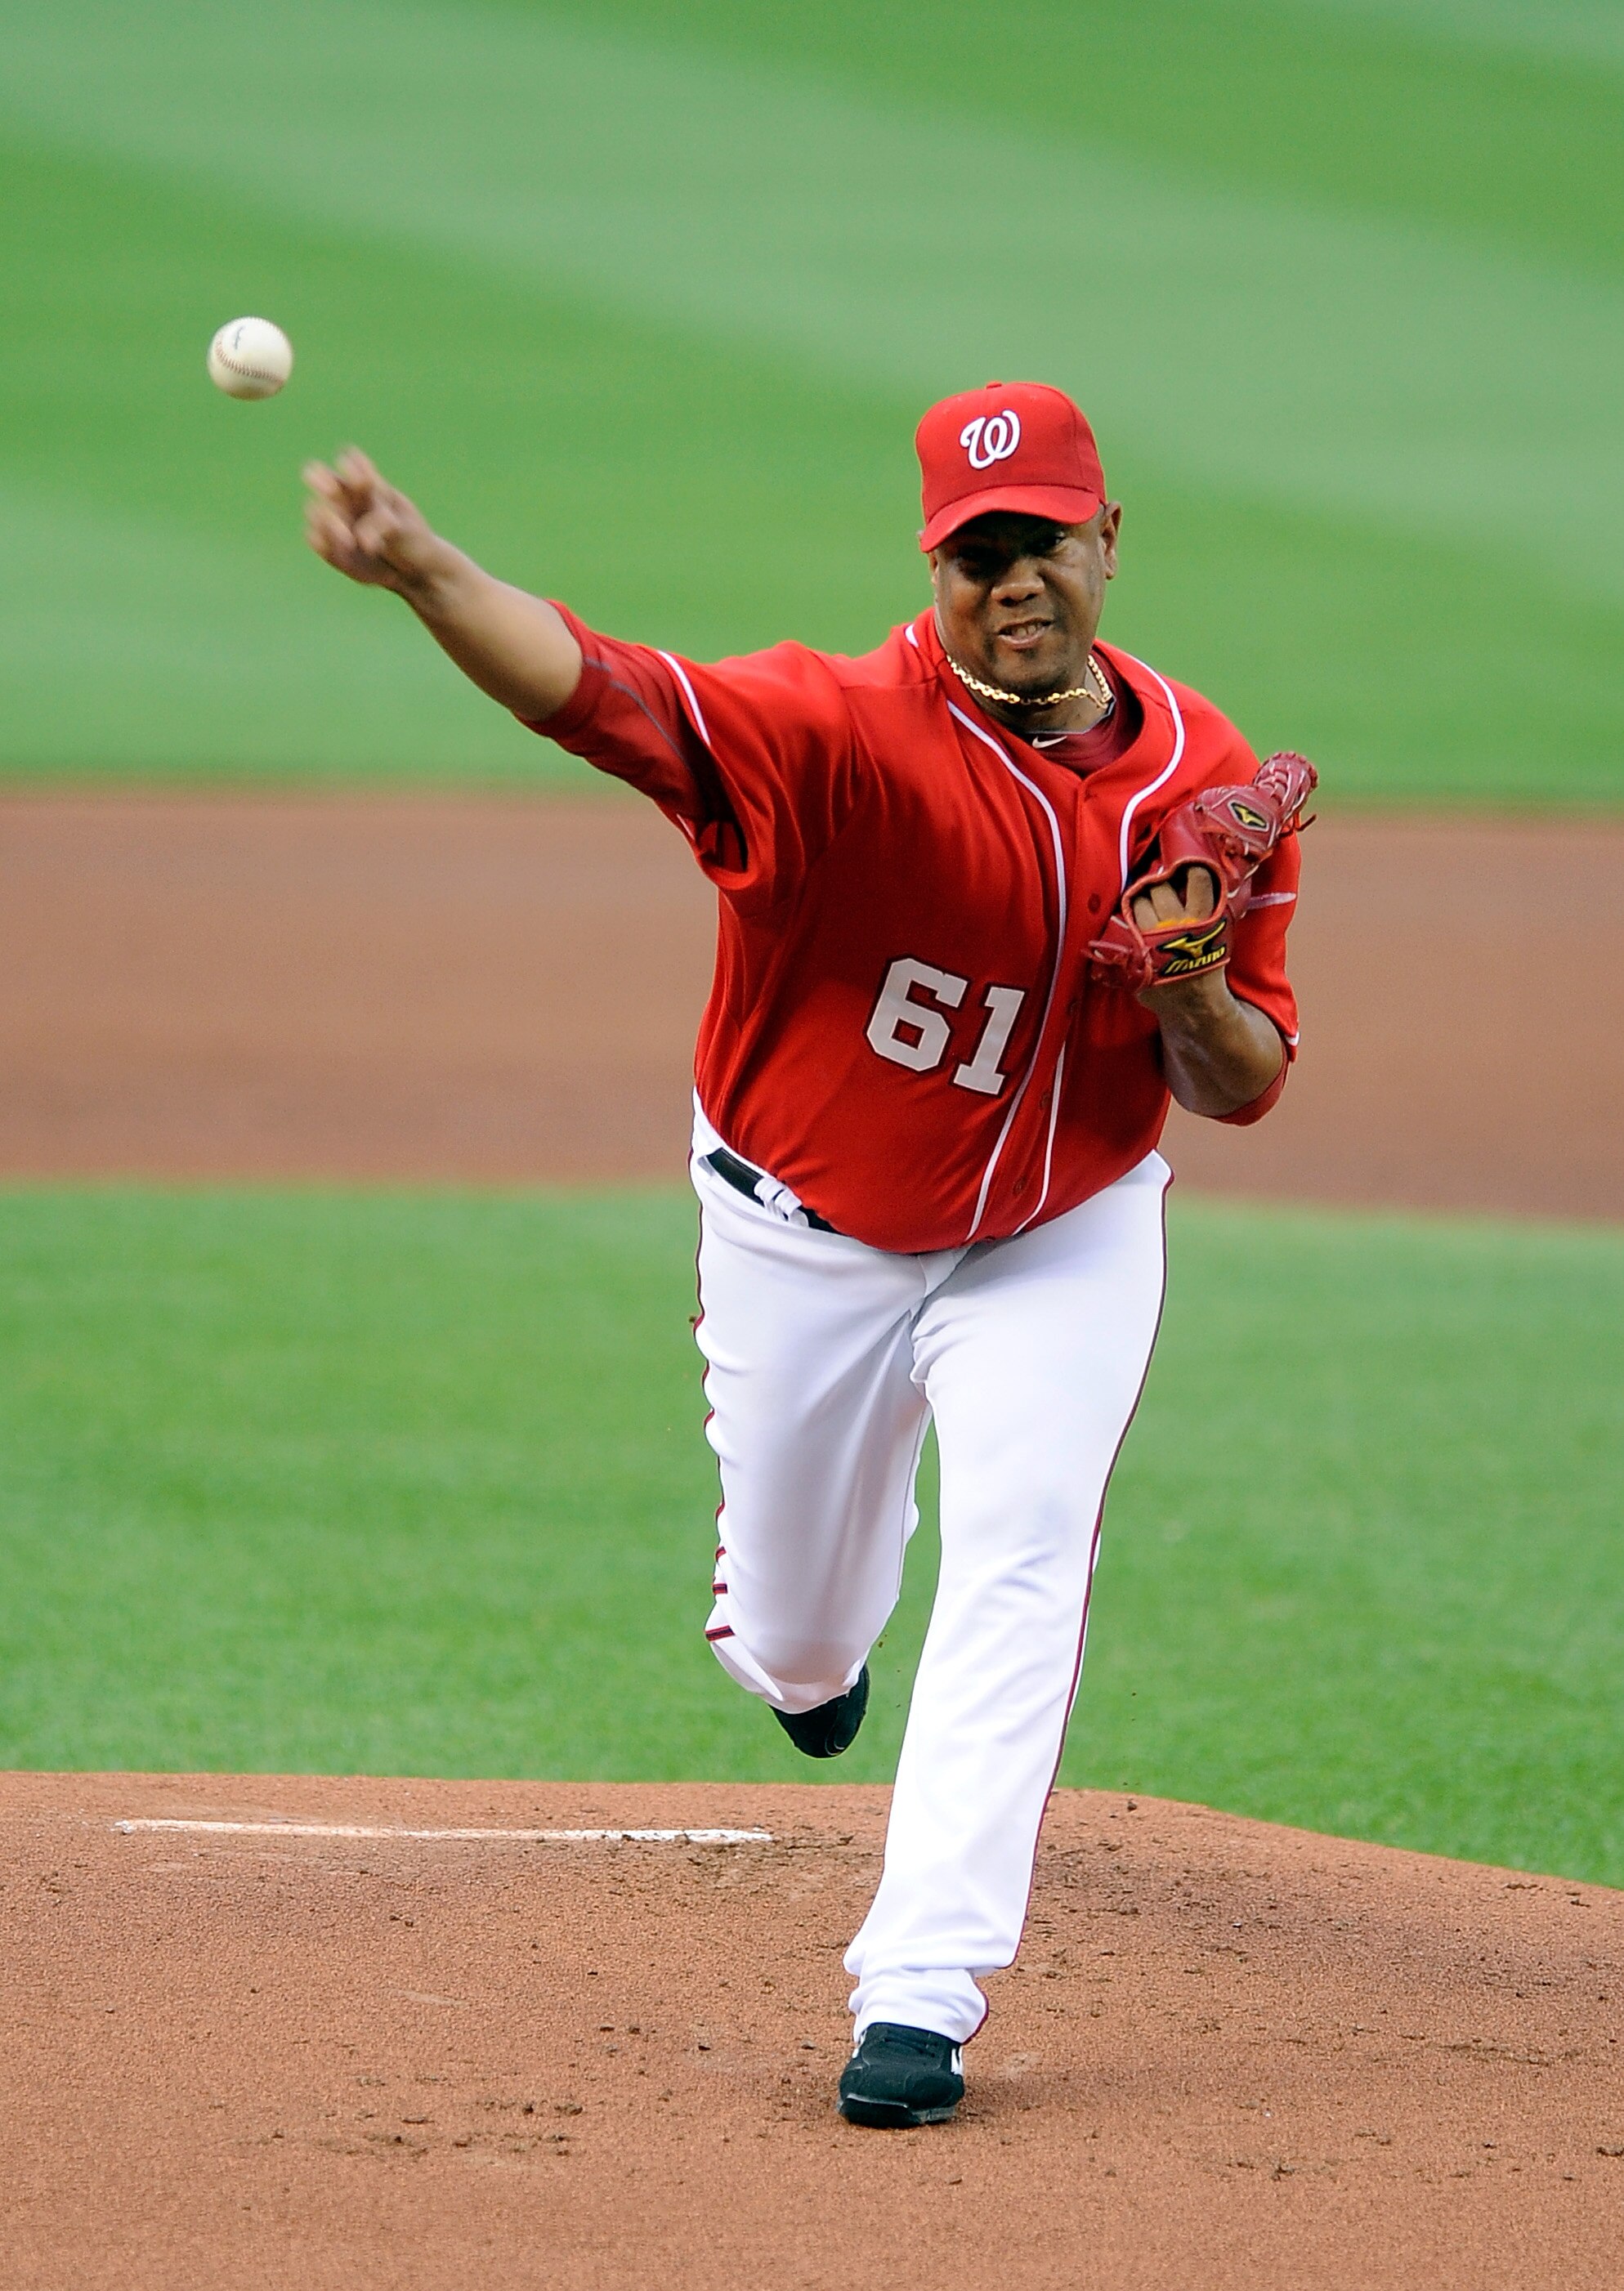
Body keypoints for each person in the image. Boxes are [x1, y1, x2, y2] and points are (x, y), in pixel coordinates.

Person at [304, 380, 1307, 2128]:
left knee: (1020, 1559)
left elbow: (1243, 1090)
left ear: (1106, 541)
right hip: (808, 1238)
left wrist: (1194, 983)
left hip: (1064, 1235)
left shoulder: (1206, 781)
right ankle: (803, 1668)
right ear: (932, 563)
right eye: (975, 551)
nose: (1014, 579)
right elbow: (609, 690)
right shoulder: (832, 736)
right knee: (795, 1632)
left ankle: (919, 1994)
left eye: (1043, 543)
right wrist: (423, 571)